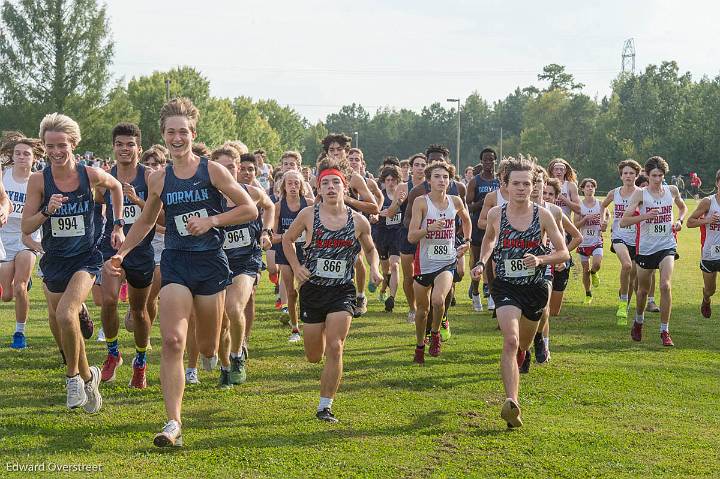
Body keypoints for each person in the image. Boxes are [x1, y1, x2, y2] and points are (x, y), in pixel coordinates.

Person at [105, 98, 258, 447]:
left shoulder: (212, 171)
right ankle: (173, 421)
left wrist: (212, 220)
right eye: (170, 132)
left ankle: (219, 355)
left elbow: (248, 208)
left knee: (205, 345)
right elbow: (145, 220)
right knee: (173, 341)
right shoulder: (158, 179)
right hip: (175, 261)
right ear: (163, 135)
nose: (177, 138)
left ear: (193, 134)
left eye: (183, 132)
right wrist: (123, 252)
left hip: (210, 263)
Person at [22, 112, 126, 413]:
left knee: (68, 314)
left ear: (73, 144)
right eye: (50, 146)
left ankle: (71, 379)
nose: (56, 152)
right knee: (61, 323)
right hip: (55, 260)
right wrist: (47, 210)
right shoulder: (39, 181)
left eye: (62, 146)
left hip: (86, 257)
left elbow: (116, 187)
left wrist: (118, 224)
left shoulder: (89, 175)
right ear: (43, 146)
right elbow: (27, 227)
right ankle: (87, 374)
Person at [281, 157, 381, 423]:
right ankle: (321, 348)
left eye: (336, 182)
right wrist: (296, 266)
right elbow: (288, 240)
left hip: (342, 291)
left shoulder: (358, 221)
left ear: (344, 187)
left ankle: (325, 406)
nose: (331, 187)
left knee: (336, 346)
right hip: (313, 290)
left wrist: (374, 268)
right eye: (325, 183)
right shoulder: (308, 215)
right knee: (314, 356)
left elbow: (370, 249)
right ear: (318, 188)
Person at [471, 157, 569, 428]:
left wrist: (540, 260)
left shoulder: (544, 215)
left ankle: (525, 354)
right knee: (511, 341)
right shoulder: (496, 214)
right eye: (515, 183)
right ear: (505, 184)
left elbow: (563, 252)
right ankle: (512, 403)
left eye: (527, 184)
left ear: (533, 185)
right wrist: (481, 262)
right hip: (505, 286)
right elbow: (489, 240)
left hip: (535, 289)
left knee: (522, 344)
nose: (521, 189)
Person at [95, 123, 156, 389]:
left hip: (141, 250)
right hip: (112, 248)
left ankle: (140, 361)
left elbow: (161, 217)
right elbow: (97, 203)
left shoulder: (150, 177)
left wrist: (139, 201)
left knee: (139, 312)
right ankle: (113, 353)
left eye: (130, 144)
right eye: (120, 144)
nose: (124, 148)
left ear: (139, 149)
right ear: (113, 147)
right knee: (108, 301)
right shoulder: (104, 177)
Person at [213, 149, 274, 388]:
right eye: (222, 167)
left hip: (246, 261)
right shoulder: (209, 197)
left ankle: (237, 356)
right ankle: (225, 366)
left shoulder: (251, 193)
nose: (228, 171)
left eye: (232, 166)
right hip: (216, 261)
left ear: (238, 167)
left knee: (233, 307)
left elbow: (270, 207)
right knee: (219, 322)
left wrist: (266, 232)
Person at [620, 156, 687, 347]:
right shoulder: (640, 194)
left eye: (661, 175)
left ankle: (664, 331)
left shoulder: (672, 190)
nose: (657, 180)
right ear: (647, 176)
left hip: (667, 244)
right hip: (646, 248)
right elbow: (624, 221)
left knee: (665, 285)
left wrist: (679, 222)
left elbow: (682, 208)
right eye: (654, 176)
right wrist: (644, 216)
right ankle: (638, 321)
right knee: (642, 292)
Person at [409, 161, 471, 363]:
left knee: (438, 300)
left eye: (445, 177)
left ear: (450, 180)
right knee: (422, 311)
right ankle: (419, 345)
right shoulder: (421, 202)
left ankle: (435, 334)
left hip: (446, 261)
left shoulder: (456, 201)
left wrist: (467, 241)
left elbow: (467, 220)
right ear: (429, 180)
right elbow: (411, 237)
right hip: (424, 263)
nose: (441, 180)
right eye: (437, 176)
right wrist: (430, 228)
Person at [325, 139, 380, 318]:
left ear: (345, 153)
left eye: (339, 150)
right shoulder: (319, 175)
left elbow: (374, 206)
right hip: (326, 227)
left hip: (352, 225)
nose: (335, 152)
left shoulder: (354, 178)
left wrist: (348, 200)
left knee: (356, 260)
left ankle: (360, 296)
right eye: (331, 149)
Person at [1, 137, 44, 349]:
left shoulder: (38, 180)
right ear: (12, 156)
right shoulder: (3, 176)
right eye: (18, 153)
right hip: (4, 238)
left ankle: (20, 332)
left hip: (28, 238)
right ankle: (22, 281)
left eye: (26, 153)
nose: (21, 157)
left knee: (19, 288)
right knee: (7, 295)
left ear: (34, 158)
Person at [272, 169, 312, 342]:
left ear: (302, 185)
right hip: (285, 251)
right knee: (291, 291)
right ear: (284, 186)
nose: (293, 186)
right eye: (290, 183)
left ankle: (310, 323)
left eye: (296, 183)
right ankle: (295, 329)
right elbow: (273, 237)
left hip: (306, 251)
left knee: (306, 290)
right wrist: (289, 236)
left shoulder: (309, 203)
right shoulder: (279, 206)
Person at [601, 160, 642, 324]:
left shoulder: (641, 193)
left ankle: (624, 304)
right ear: (621, 175)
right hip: (619, 235)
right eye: (625, 173)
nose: (628, 176)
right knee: (627, 265)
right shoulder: (614, 193)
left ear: (636, 176)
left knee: (632, 279)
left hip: (637, 238)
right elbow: (602, 206)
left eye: (631, 173)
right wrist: (603, 221)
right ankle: (623, 304)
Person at [389, 153, 427, 323]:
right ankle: (412, 308)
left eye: (423, 164)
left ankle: (425, 306)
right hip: (406, 234)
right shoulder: (404, 186)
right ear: (411, 168)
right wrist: (398, 202)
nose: (420, 167)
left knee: (426, 274)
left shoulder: (431, 186)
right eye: (417, 164)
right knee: (408, 275)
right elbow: (390, 213)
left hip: (427, 234)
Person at [465, 148, 499, 312]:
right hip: (478, 224)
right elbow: (468, 206)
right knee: (477, 260)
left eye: (491, 159)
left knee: (492, 263)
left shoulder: (500, 181)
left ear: (495, 161)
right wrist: (482, 203)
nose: (488, 162)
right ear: (481, 161)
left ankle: (492, 295)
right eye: (485, 160)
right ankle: (476, 292)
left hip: (494, 225)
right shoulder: (475, 181)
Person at [687, 169, 720, 318]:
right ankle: (706, 299)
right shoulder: (708, 202)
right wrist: (707, 220)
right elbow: (690, 222)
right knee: (710, 289)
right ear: (717, 183)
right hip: (710, 252)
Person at [374, 165, 405, 312]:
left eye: (393, 180)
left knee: (395, 266)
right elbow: (373, 212)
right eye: (388, 180)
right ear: (383, 181)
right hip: (382, 235)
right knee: (385, 268)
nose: (391, 183)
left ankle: (391, 298)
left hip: (397, 235)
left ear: (398, 181)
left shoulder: (402, 197)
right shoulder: (379, 196)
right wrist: (377, 215)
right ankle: (383, 289)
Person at [575, 178, 607, 305]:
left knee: (597, 264)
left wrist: (604, 222)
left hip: (597, 240)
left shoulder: (600, 204)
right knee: (585, 270)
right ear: (582, 189)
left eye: (592, 186)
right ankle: (588, 293)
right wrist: (586, 218)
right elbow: (575, 225)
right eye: (587, 186)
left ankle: (594, 273)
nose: (590, 188)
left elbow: (607, 215)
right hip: (583, 242)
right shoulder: (580, 206)